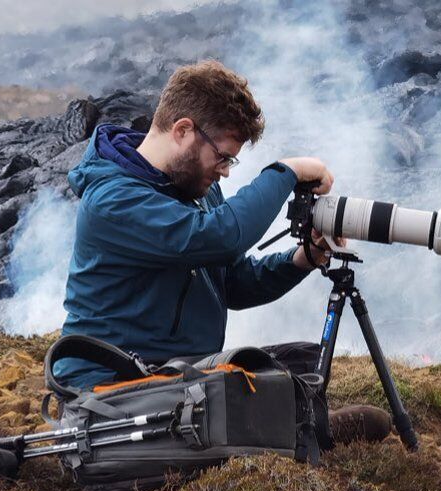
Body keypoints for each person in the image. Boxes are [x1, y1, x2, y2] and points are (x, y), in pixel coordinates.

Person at [53, 60, 387, 445]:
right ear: (183, 131)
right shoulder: (113, 200)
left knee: (301, 360)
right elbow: (220, 237)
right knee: (238, 394)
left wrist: (304, 258)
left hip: (175, 377)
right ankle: (299, 430)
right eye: (224, 157)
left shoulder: (196, 188)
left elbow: (232, 283)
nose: (226, 171)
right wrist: (286, 172)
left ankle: (289, 424)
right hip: (108, 392)